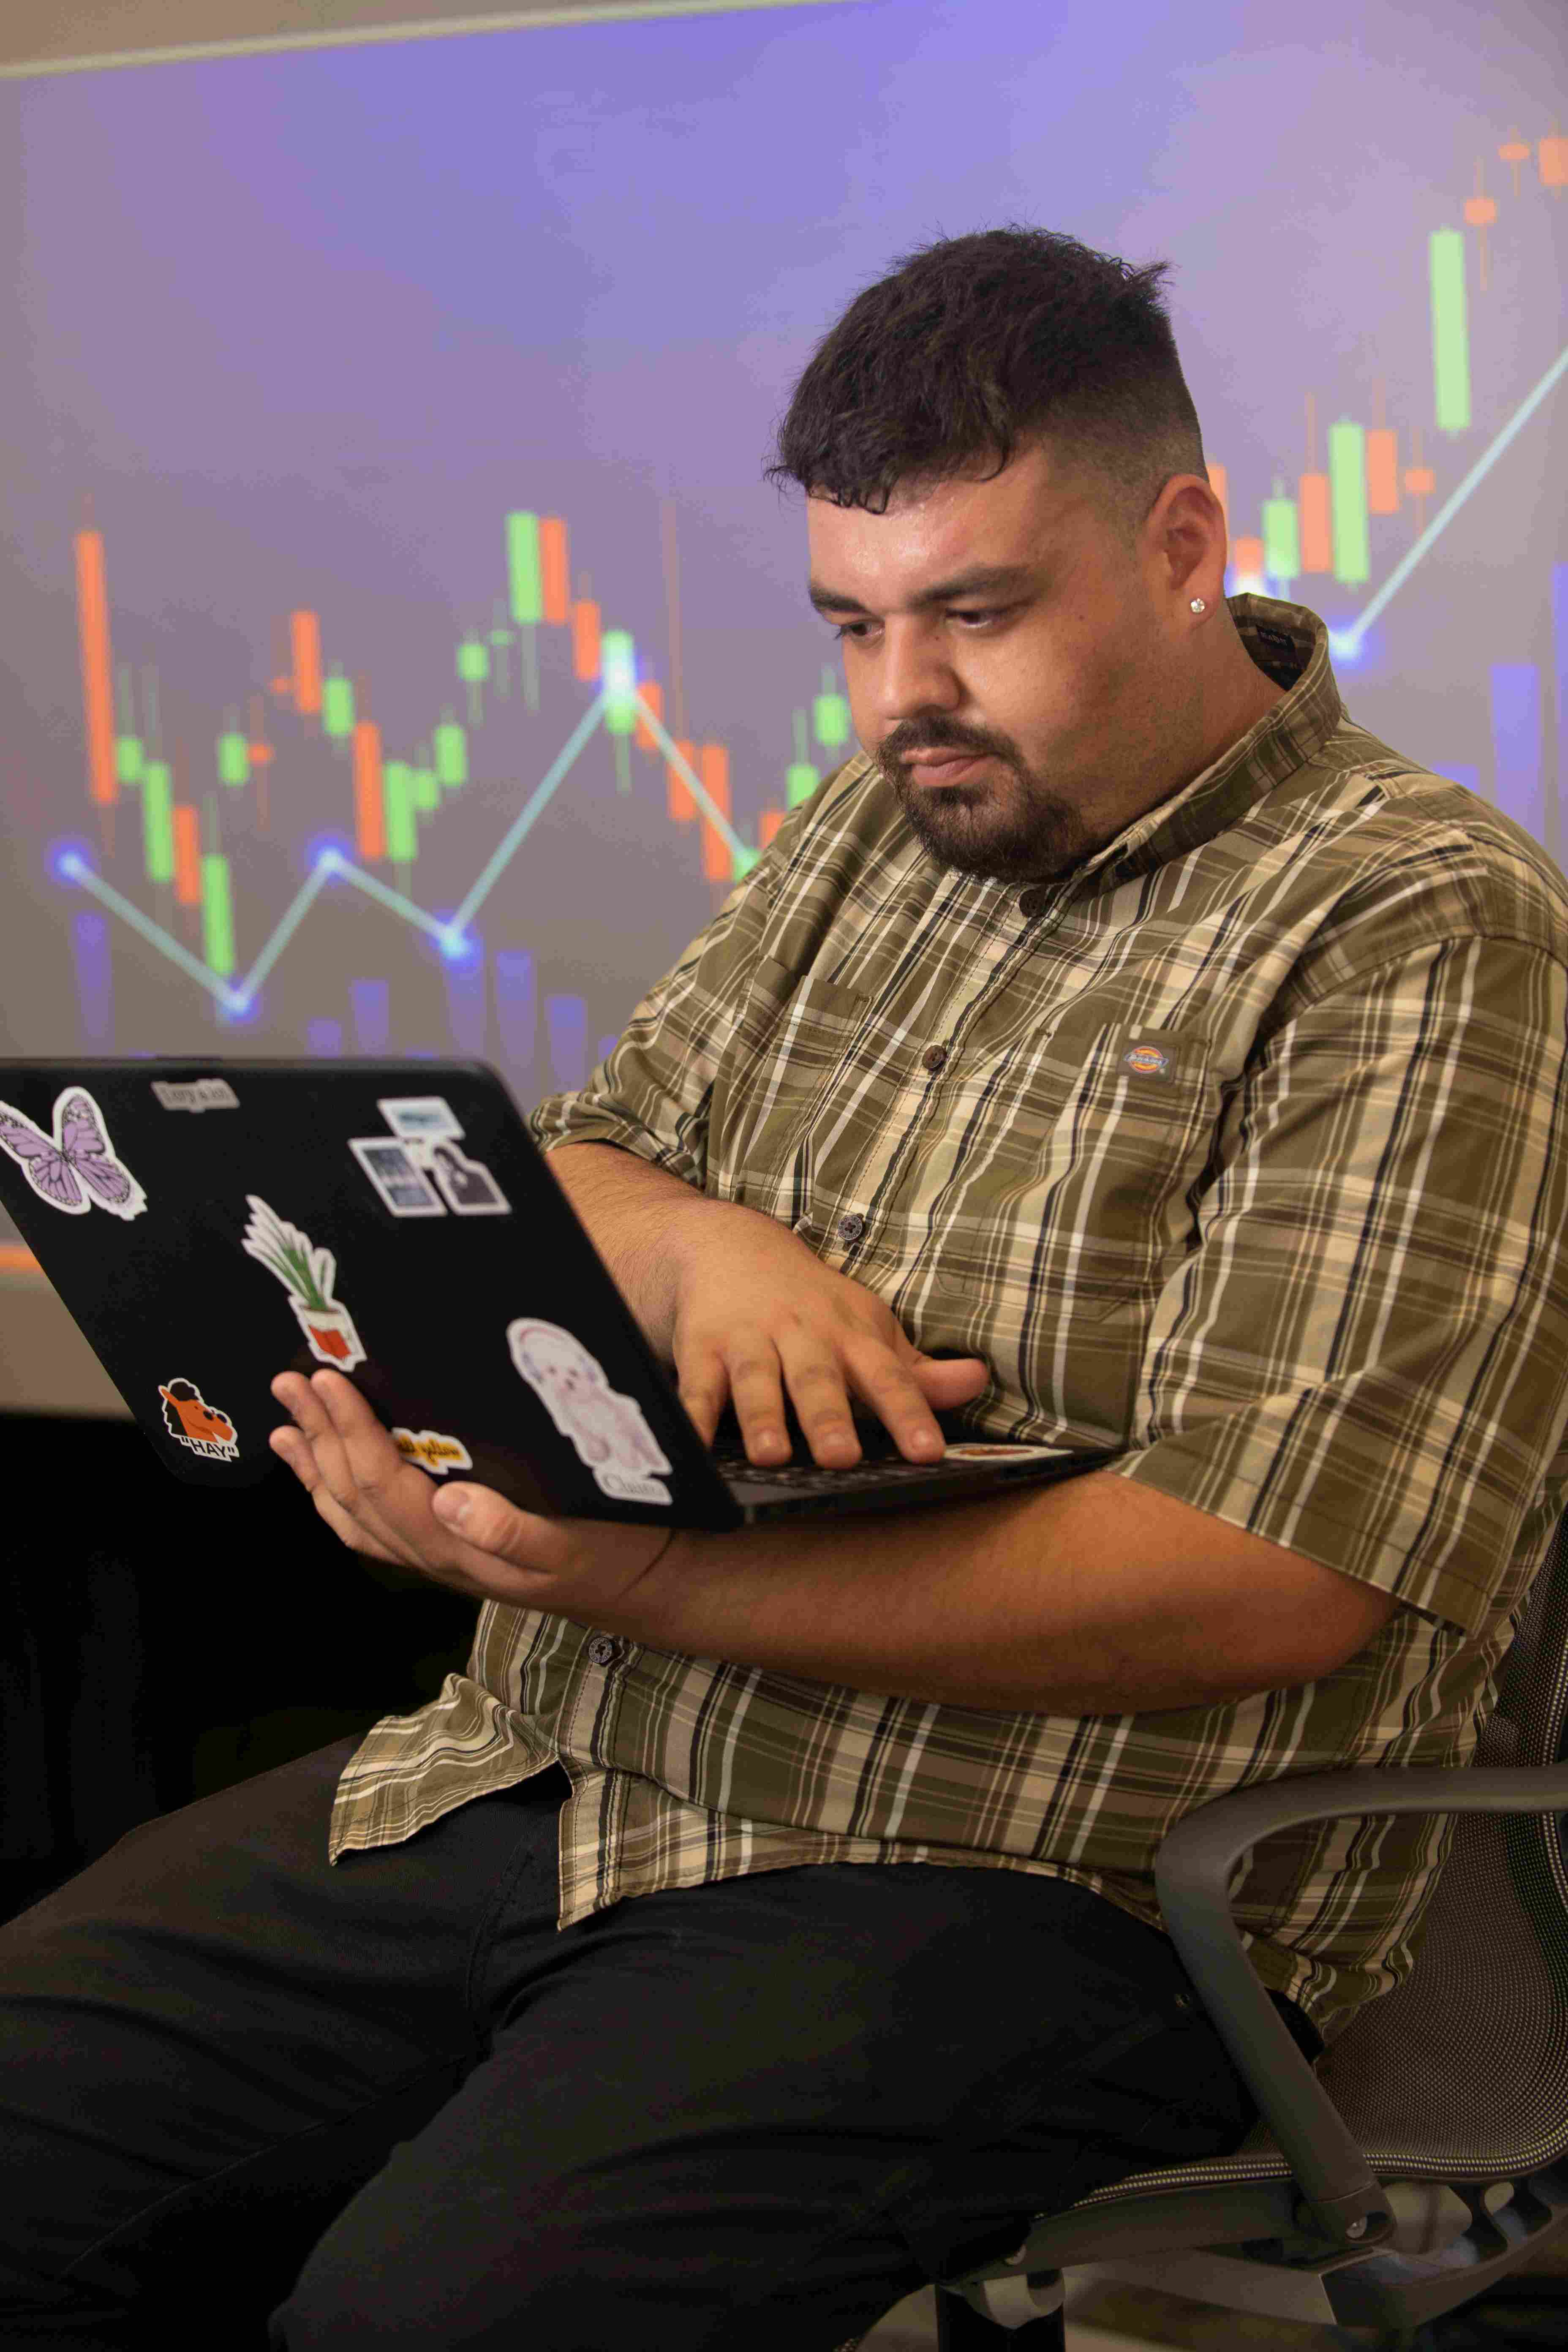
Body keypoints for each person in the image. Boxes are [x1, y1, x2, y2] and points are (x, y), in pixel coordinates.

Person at [4, 226, 1567, 2352]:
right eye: (852, 624)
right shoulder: (884, 824)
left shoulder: (1420, 921)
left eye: (976, 614)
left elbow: (1268, 1579)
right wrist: (704, 1241)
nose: (902, 695)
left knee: (425, 2326)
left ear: (1184, 540)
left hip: (1017, 1884)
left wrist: (639, 1586)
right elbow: (588, 1156)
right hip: (542, 1777)